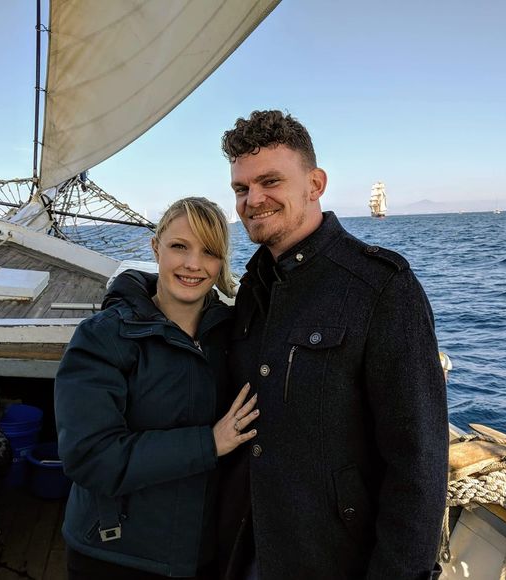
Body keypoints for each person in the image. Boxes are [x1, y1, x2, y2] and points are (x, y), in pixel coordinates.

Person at [219, 110, 449, 579]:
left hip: (333, 560)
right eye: (242, 188)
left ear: (315, 184)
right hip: (248, 549)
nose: (253, 200)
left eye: (270, 182)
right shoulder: (254, 287)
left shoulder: (380, 287)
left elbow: (418, 466)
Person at [55, 197, 259, 580]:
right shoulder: (102, 338)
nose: (193, 264)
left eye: (209, 251)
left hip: (201, 555)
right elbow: (90, 456)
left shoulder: (232, 336)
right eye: (180, 246)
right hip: (114, 555)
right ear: (155, 247)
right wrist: (209, 443)